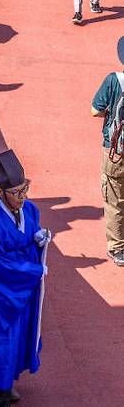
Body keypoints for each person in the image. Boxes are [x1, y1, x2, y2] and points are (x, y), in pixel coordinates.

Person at [0, 150, 49, 407]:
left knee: (19, 336)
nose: (23, 197)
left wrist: (39, 239)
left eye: (24, 189)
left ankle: (8, 381)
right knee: (0, 339)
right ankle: (0, 391)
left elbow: (29, 237)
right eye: (16, 192)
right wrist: (34, 271)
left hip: (24, 289)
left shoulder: (30, 210)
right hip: (0, 291)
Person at [91, 36, 124, 267]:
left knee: (114, 199)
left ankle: (118, 248)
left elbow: (95, 110)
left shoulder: (114, 80)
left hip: (116, 151)